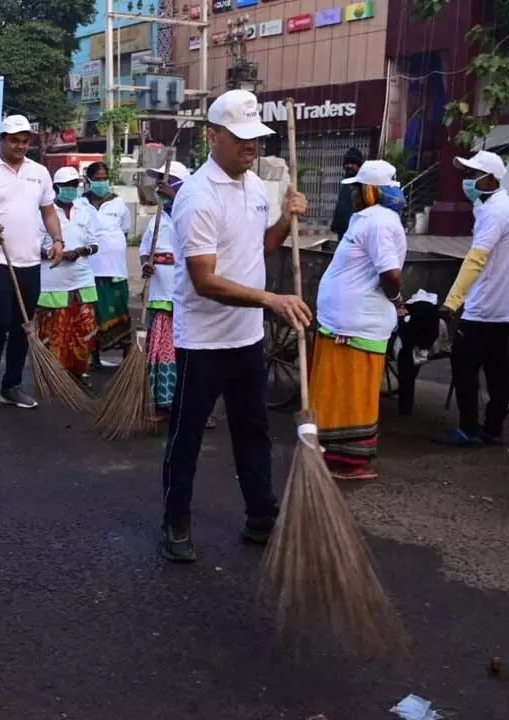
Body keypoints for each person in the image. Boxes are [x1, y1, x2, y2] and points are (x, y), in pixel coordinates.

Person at [160, 88, 311, 562]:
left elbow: (257, 250)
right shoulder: (197, 197)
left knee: (254, 431)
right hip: (204, 341)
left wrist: (287, 219)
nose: (251, 147)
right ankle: (176, 524)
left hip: (246, 338)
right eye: (241, 138)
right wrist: (270, 299)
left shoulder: (254, 187)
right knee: (186, 436)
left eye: (256, 139)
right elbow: (204, 280)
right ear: (213, 136)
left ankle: (261, 517)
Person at [309, 160, 408, 481]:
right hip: (342, 322)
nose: (351, 194)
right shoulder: (368, 220)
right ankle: (332, 453)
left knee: (350, 394)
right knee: (336, 391)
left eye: (356, 188)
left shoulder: (379, 222)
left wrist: (396, 300)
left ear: (370, 191)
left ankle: (350, 462)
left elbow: (390, 274)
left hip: (356, 325)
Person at [436, 150, 509, 447]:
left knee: (464, 366)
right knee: (497, 369)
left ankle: (469, 429)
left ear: (490, 178)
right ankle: (493, 429)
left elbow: (476, 259)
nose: (467, 180)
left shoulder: (494, 213)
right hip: (506, 307)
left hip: (484, 306)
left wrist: (452, 302)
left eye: (472, 175)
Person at [0, 114, 65, 410]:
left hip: (29, 258)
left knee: (23, 323)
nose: (20, 146)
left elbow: (48, 211)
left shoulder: (39, 172)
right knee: (0, 319)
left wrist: (57, 240)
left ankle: (13, 384)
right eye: (14, 140)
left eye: (24, 141)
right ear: (2, 140)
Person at [140, 159, 201, 425]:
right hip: (159, 295)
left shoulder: (190, 212)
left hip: (182, 296)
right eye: (158, 183)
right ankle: (164, 404)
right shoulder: (156, 219)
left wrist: (176, 198)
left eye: (165, 183)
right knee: (160, 353)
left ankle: (191, 407)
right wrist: (146, 265)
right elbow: (145, 252)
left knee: (185, 355)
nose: (159, 187)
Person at [35, 166, 99, 385]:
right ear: (55, 189)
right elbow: (32, 247)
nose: (71, 190)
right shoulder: (44, 213)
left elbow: (94, 244)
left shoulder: (84, 210)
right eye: (67, 186)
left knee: (83, 329)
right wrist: (54, 253)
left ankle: (80, 371)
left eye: (74, 186)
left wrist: (79, 251)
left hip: (82, 279)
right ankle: (53, 375)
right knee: (54, 331)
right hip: (53, 281)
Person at [78, 161, 133, 368]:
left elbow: (125, 230)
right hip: (89, 270)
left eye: (104, 179)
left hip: (115, 269)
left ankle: (127, 362)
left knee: (120, 312)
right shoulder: (79, 203)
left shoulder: (118, 203)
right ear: (88, 180)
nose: (102, 183)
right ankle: (94, 359)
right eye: (97, 179)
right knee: (91, 314)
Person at [331, 147, 365, 239]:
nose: (349, 165)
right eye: (347, 163)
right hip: (342, 230)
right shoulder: (347, 180)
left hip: (356, 232)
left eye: (353, 163)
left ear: (359, 165)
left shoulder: (363, 183)